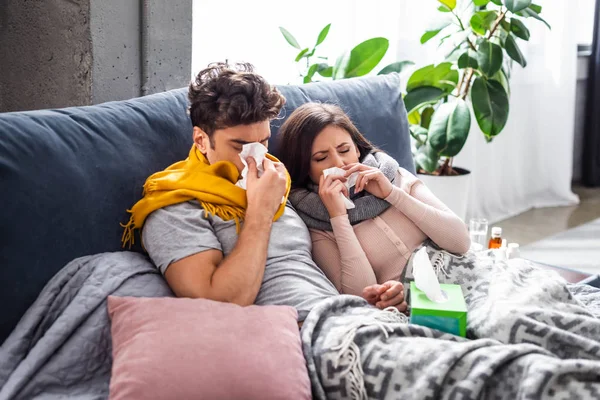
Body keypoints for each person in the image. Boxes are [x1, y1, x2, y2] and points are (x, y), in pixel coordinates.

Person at [121, 62, 408, 324]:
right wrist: (259, 211)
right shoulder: (175, 207)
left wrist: (374, 299)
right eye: (239, 147)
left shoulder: (279, 181)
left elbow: (317, 273)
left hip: (345, 316)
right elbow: (219, 304)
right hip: (296, 335)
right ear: (201, 140)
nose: (257, 159)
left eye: (264, 142)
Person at [277, 103, 471, 305]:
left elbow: (461, 242)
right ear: (305, 168)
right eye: (322, 157)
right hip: (414, 305)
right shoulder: (313, 221)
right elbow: (359, 296)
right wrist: (338, 217)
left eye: (344, 150)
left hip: (465, 275)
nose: (339, 163)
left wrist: (391, 193)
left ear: (357, 150)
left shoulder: (393, 174)